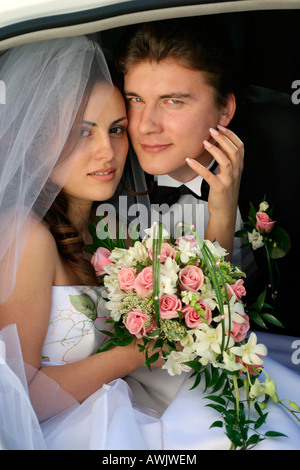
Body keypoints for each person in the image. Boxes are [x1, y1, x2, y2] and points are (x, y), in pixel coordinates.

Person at [1, 35, 300, 452]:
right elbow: (15, 402)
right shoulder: (26, 237)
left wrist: (221, 210)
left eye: (115, 129)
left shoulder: (99, 230)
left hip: (126, 403)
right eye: (81, 132)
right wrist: (142, 349)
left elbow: (202, 302)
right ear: (36, 139)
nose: (108, 151)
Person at [113, 18, 245, 269]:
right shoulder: (104, 185)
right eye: (136, 99)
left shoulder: (279, 174)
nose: (145, 126)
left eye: (172, 101)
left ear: (225, 108)